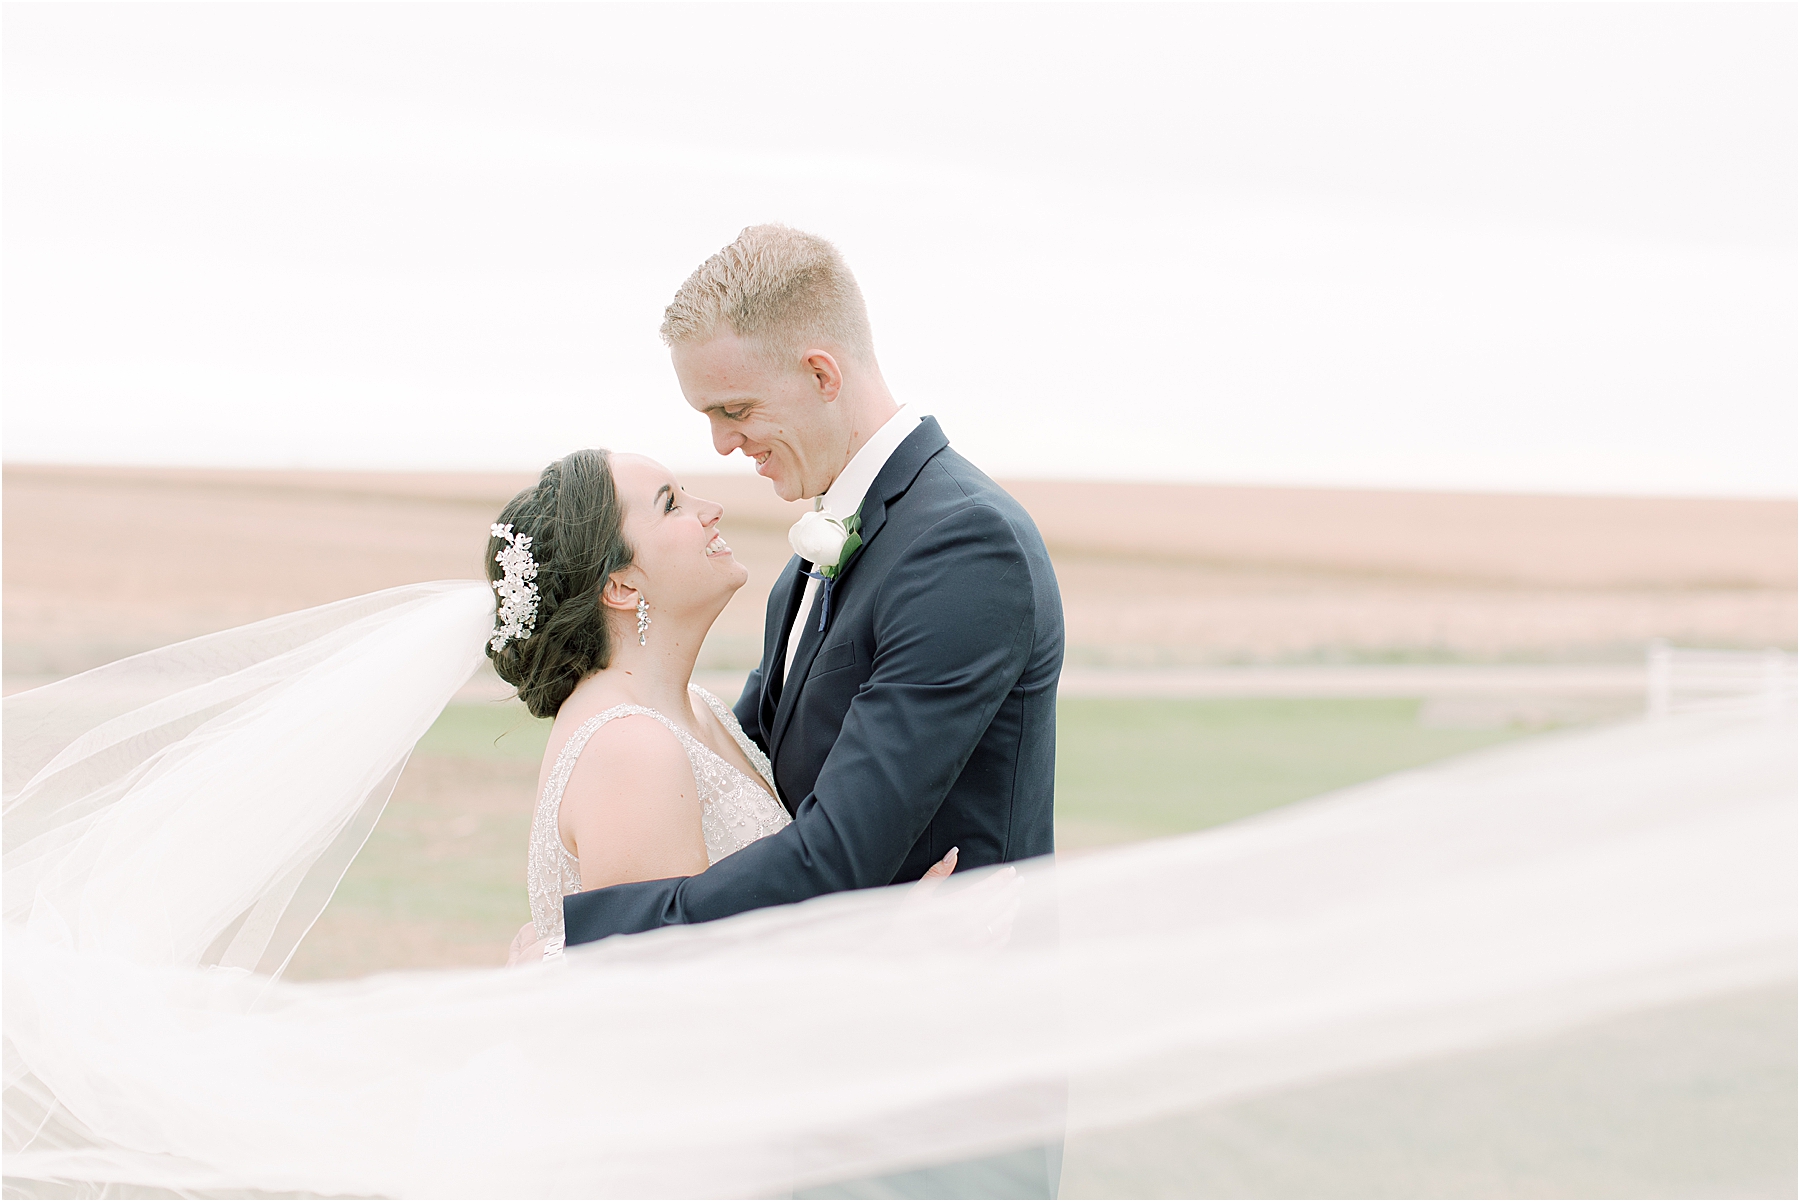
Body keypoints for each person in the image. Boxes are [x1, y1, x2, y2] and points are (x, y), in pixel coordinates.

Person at [557, 224, 1065, 946]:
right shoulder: (810, 561)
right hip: (841, 1018)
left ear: (823, 376)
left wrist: (594, 938)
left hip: (957, 1021)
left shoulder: (965, 546)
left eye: (734, 410)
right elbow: (738, 781)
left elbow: (839, 854)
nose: (722, 445)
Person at [480, 447, 959, 962]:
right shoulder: (629, 747)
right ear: (620, 586)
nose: (711, 508)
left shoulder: (697, 707)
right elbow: (678, 1000)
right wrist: (899, 943)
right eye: (671, 505)